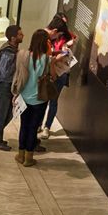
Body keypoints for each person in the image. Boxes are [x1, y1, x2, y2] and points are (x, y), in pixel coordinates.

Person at [12, 29, 52, 167]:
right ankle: (29, 158)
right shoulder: (47, 59)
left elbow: (17, 74)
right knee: (33, 128)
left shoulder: (22, 54)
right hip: (39, 99)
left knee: (24, 126)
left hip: (24, 97)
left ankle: (21, 154)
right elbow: (50, 75)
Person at [41, 14, 76, 142]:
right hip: (49, 71)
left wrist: (65, 51)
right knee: (43, 99)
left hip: (61, 72)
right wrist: (57, 57)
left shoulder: (67, 36)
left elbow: (65, 51)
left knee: (53, 100)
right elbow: (47, 59)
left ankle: (47, 127)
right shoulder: (45, 38)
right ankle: (39, 124)